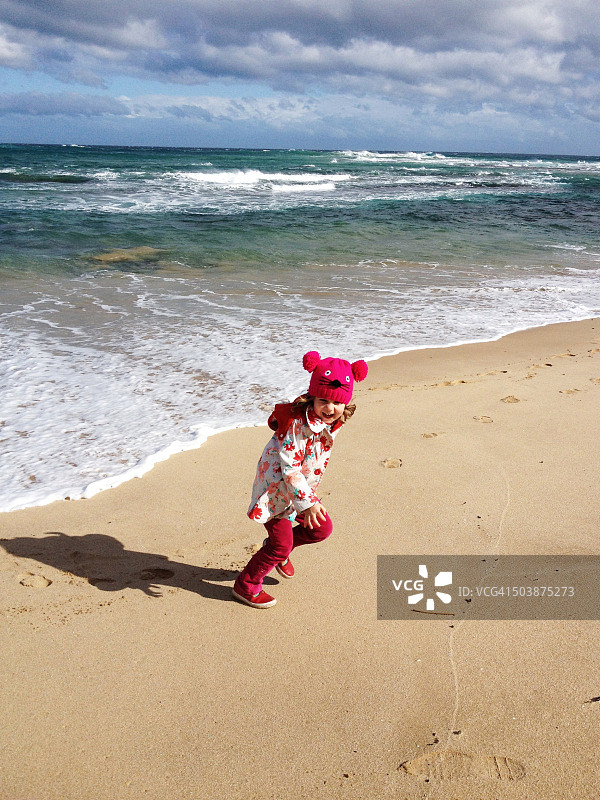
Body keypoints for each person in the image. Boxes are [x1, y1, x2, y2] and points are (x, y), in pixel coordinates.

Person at [232, 350, 368, 608]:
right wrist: (308, 502)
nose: (330, 408)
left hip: (298, 492)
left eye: (337, 403)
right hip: (274, 492)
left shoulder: (330, 423)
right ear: (312, 398)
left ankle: (280, 550)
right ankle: (246, 585)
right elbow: (289, 467)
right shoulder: (297, 425)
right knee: (279, 546)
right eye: (324, 400)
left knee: (321, 529)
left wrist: (307, 499)